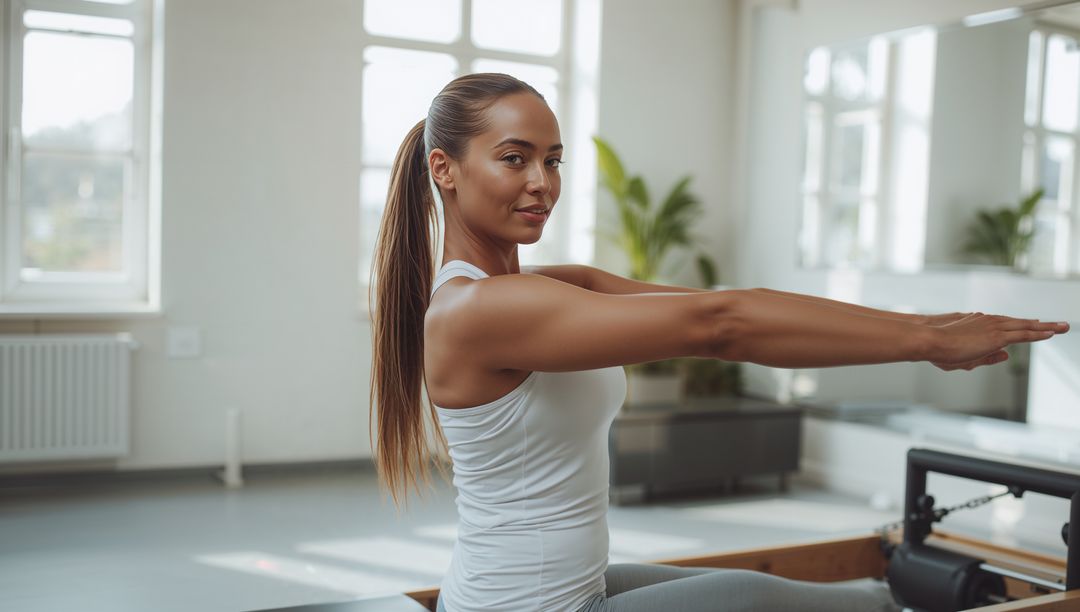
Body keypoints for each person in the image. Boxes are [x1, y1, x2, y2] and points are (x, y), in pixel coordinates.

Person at [367, 73, 1069, 612]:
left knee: (829, 597)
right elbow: (722, 324)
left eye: (552, 161)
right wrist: (922, 340)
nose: (541, 184)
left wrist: (931, 326)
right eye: (514, 159)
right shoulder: (479, 309)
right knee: (780, 603)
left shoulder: (548, 287)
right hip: (523, 605)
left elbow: (725, 307)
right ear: (444, 169)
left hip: (557, 586)